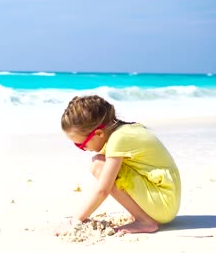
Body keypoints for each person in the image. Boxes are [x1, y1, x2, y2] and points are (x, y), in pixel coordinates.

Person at [56, 95, 181, 234]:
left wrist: (76, 220)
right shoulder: (125, 130)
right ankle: (142, 215)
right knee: (100, 161)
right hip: (165, 201)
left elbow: (103, 190)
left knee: (98, 165)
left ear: (98, 133)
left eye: (81, 144)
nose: (83, 149)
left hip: (163, 205)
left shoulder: (118, 139)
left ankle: (145, 221)